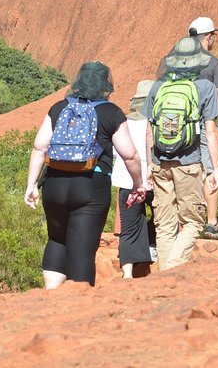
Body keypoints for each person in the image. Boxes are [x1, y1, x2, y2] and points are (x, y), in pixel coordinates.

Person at [24, 61, 147, 288]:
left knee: (57, 239)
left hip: (54, 185)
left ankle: (51, 296)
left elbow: (40, 146)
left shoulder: (59, 107)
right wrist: (138, 184)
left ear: (78, 82)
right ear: (105, 85)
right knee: (82, 248)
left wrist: (32, 185)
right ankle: (75, 306)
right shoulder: (111, 113)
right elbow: (130, 155)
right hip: (91, 186)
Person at [144, 37, 218, 270]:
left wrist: (149, 163)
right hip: (189, 163)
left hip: (160, 163)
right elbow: (210, 132)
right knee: (192, 223)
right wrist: (213, 168)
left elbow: (149, 130)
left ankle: (164, 274)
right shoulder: (205, 88)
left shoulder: (158, 86)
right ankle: (171, 271)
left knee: (165, 225)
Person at [157, 17, 218, 239]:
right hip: (201, 124)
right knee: (209, 169)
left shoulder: (171, 60)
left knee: (174, 166)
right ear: (208, 36)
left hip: (171, 123)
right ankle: (210, 222)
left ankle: (175, 224)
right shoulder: (213, 63)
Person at [111, 80, 157, 279]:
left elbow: (114, 152)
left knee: (128, 227)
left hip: (128, 181)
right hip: (154, 179)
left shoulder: (123, 123)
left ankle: (128, 274)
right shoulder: (157, 121)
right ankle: (154, 252)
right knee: (163, 220)